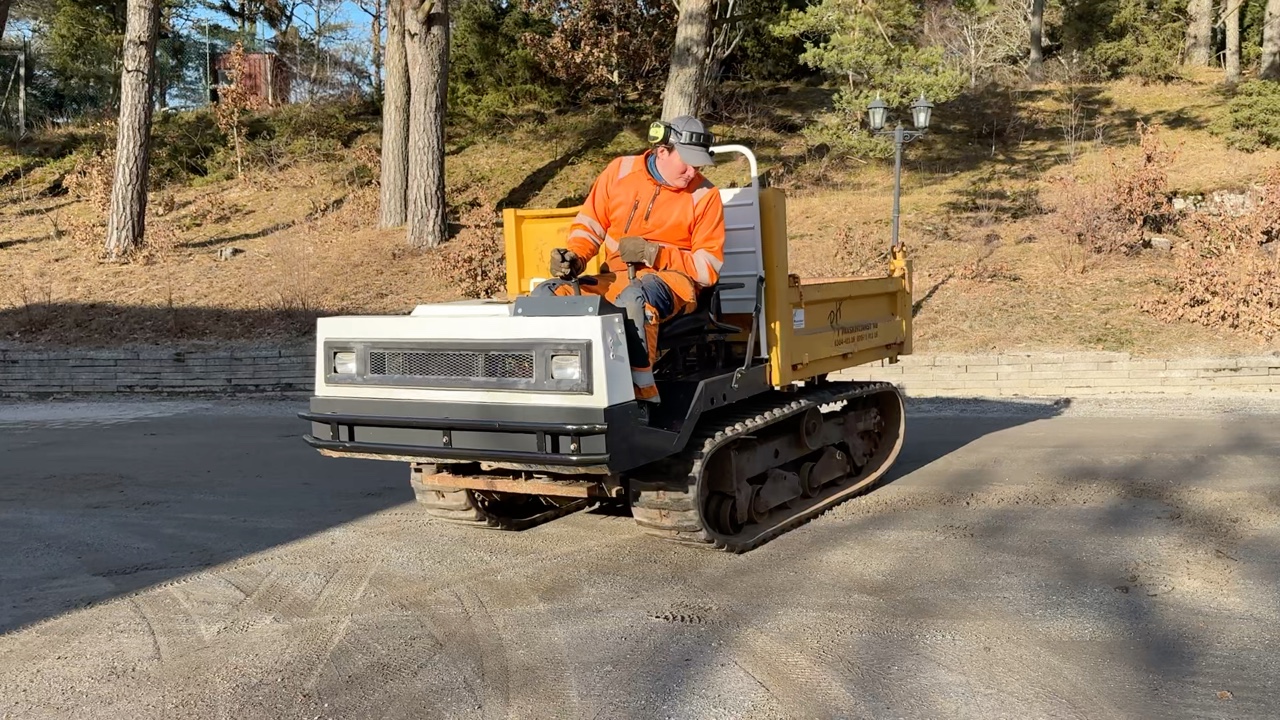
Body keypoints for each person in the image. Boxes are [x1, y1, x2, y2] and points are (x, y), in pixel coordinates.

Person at [532, 115, 727, 403]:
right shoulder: (620, 171)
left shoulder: (706, 196)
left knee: (634, 300)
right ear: (663, 151)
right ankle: (550, 386)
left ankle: (642, 395)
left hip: (673, 283)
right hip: (614, 278)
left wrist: (655, 254)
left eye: (698, 166)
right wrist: (575, 257)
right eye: (686, 162)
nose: (691, 172)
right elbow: (590, 225)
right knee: (545, 294)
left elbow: (708, 269)